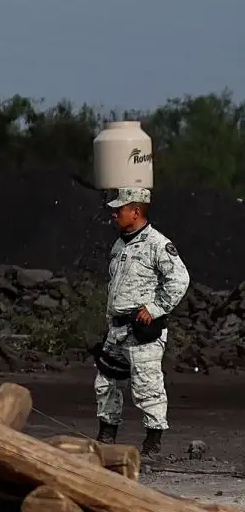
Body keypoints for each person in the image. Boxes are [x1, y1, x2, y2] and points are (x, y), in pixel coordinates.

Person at [96, 187, 190, 457]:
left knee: (147, 387)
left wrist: (156, 307)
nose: (114, 214)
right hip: (117, 329)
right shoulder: (119, 244)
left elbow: (179, 279)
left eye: (120, 209)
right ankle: (106, 436)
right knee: (106, 383)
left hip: (141, 332)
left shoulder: (157, 244)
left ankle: (152, 443)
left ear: (135, 211)